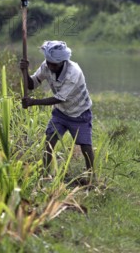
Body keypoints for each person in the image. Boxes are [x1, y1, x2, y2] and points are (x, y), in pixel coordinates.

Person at [20, 40, 94, 183]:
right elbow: (31, 85)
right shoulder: (46, 65)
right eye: (48, 62)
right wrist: (25, 71)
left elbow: (60, 98)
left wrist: (33, 102)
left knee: (85, 145)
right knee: (49, 140)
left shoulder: (73, 72)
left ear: (62, 62)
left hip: (80, 113)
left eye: (53, 64)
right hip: (60, 113)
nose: (49, 66)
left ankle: (91, 177)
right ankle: (45, 175)